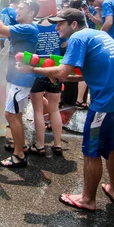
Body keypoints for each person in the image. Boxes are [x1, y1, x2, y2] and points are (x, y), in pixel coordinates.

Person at [18, 8, 114, 211]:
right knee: (111, 145)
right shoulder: (100, 34)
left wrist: (33, 69)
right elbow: (86, 73)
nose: (56, 28)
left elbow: (63, 70)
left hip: (106, 104)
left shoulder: (78, 38)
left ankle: (87, 199)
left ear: (73, 24)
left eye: (60, 24)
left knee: (92, 152)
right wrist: (65, 76)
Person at [0, 0, 40, 167]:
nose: (17, 11)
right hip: (15, 77)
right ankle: (20, 146)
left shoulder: (28, 28)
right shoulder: (23, 28)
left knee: (11, 115)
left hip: (20, 79)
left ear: (31, 12)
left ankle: (19, 155)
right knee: (15, 114)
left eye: (21, 9)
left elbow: (0, 28)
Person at [29, 17, 64, 156]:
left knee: (37, 111)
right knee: (54, 110)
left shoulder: (34, 27)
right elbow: (64, 46)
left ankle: (40, 145)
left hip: (37, 72)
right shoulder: (58, 27)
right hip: (55, 70)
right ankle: (58, 144)